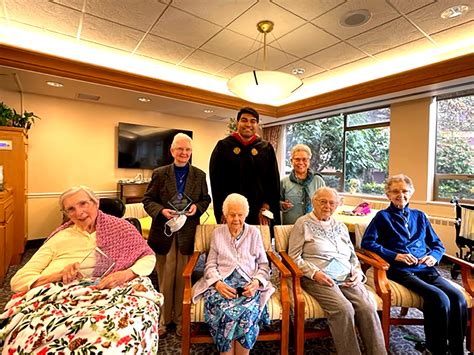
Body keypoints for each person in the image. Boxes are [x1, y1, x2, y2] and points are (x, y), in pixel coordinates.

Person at [3, 186, 162, 353]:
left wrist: (126, 274)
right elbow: (17, 281)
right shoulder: (60, 237)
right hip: (61, 297)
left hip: (112, 293)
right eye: (71, 209)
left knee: (115, 337)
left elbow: (148, 257)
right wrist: (57, 276)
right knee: (31, 335)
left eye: (83, 204)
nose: (79, 213)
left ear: (96, 203)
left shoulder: (123, 228)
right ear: (66, 214)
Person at [361, 174, 467, 355]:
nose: (400, 195)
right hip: (400, 270)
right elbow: (368, 243)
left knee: (458, 298)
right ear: (388, 194)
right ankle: (435, 349)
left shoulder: (420, 216)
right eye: (395, 191)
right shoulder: (382, 217)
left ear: (410, 193)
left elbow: (437, 245)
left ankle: (457, 350)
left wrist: (433, 256)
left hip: (426, 268)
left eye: (404, 191)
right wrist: (396, 256)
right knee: (438, 298)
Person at [288, 187, 386, 355]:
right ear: (314, 202)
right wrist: (315, 273)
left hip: (346, 275)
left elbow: (352, 254)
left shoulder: (340, 225)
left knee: (367, 306)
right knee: (344, 309)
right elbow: (294, 257)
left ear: (337, 205)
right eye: (323, 202)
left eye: (332, 203)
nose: (327, 206)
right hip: (318, 277)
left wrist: (357, 272)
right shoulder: (303, 223)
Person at [143, 132, 211, 338]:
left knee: (184, 279)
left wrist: (196, 209)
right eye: (180, 149)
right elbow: (148, 200)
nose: (184, 153)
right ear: (172, 151)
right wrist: (161, 212)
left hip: (187, 233)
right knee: (165, 278)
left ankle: (182, 320)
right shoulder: (160, 173)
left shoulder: (199, 175)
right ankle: (164, 320)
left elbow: (205, 199)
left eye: (187, 149)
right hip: (164, 233)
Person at [192, 193, 274, 355]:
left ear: (246, 214)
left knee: (247, 313)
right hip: (222, 286)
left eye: (240, 215)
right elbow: (210, 265)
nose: (236, 219)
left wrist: (256, 283)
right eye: (232, 215)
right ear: (225, 215)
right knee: (224, 313)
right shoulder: (218, 233)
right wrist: (217, 283)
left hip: (248, 286)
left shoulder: (254, 233)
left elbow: (264, 265)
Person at [209, 107, 280, 226]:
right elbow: (216, 183)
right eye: (244, 120)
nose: (248, 124)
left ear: (257, 124)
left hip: (259, 212)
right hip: (231, 212)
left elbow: (273, 182)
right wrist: (223, 211)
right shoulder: (223, 147)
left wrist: (266, 207)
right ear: (238, 123)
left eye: (253, 121)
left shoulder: (266, 148)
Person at [280, 143, 325, 224]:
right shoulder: (284, 182)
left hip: (314, 226)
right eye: (297, 159)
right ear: (291, 161)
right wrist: (282, 205)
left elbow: (325, 202)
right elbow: (275, 202)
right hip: (291, 227)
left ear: (309, 161)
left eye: (304, 159)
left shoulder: (318, 181)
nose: (301, 163)